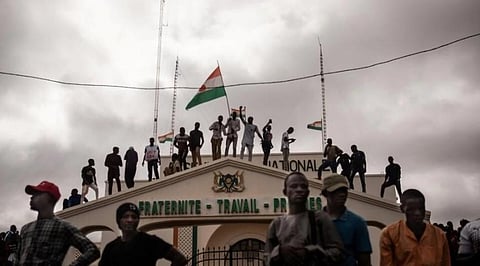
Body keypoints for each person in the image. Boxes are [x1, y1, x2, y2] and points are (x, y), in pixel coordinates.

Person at [265, 172, 345, 266]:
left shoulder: (320, 219)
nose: (299, 190)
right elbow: (266, 258)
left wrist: (311, 252)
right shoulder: (276, 224)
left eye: (303, 186)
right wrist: (279, 252)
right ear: (285, 192)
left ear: (308, 192)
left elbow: (339, 253)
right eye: (294, 186)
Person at [15, 181, 100, 265]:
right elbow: (17, 258)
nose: (32, 197)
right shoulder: (25, 229)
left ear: (49, 198)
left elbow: (92, 250)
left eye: (37, 194)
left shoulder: (62, 227)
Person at [99, 202, 187, 266]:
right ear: (119, 221)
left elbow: (179, 258)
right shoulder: (110, 248)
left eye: (134, 217)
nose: (130, 220)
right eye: (126, 216)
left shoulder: (150, 242)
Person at [379, 188, 451, 265]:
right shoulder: (390, 234)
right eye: (411, 209)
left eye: (421, 208)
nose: (417, 213)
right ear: (402, 209)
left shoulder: (439, 236)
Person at [321, 174, 372, 266]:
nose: (342, 194)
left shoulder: (357, 223)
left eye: (344, 191)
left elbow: (365, 261)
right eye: (336, 191)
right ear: (325, 194)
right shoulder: (313, 222)